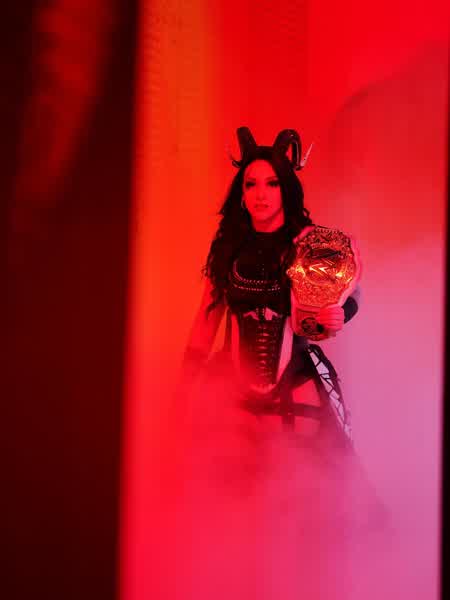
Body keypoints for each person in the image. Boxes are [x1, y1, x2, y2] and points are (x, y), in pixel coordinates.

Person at [175, 127, 383, 600]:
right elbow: (206, 319)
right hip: (232, 393)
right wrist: (185, 387)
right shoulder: (227, 245)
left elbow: (345, 300)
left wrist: (340, 314)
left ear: (286, 188)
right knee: (226, 510)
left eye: (271, 183)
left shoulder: (311, 242)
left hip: (298, 385)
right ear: (241, 191)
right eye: (251, 183)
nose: (261, 193)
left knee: (318, 501)